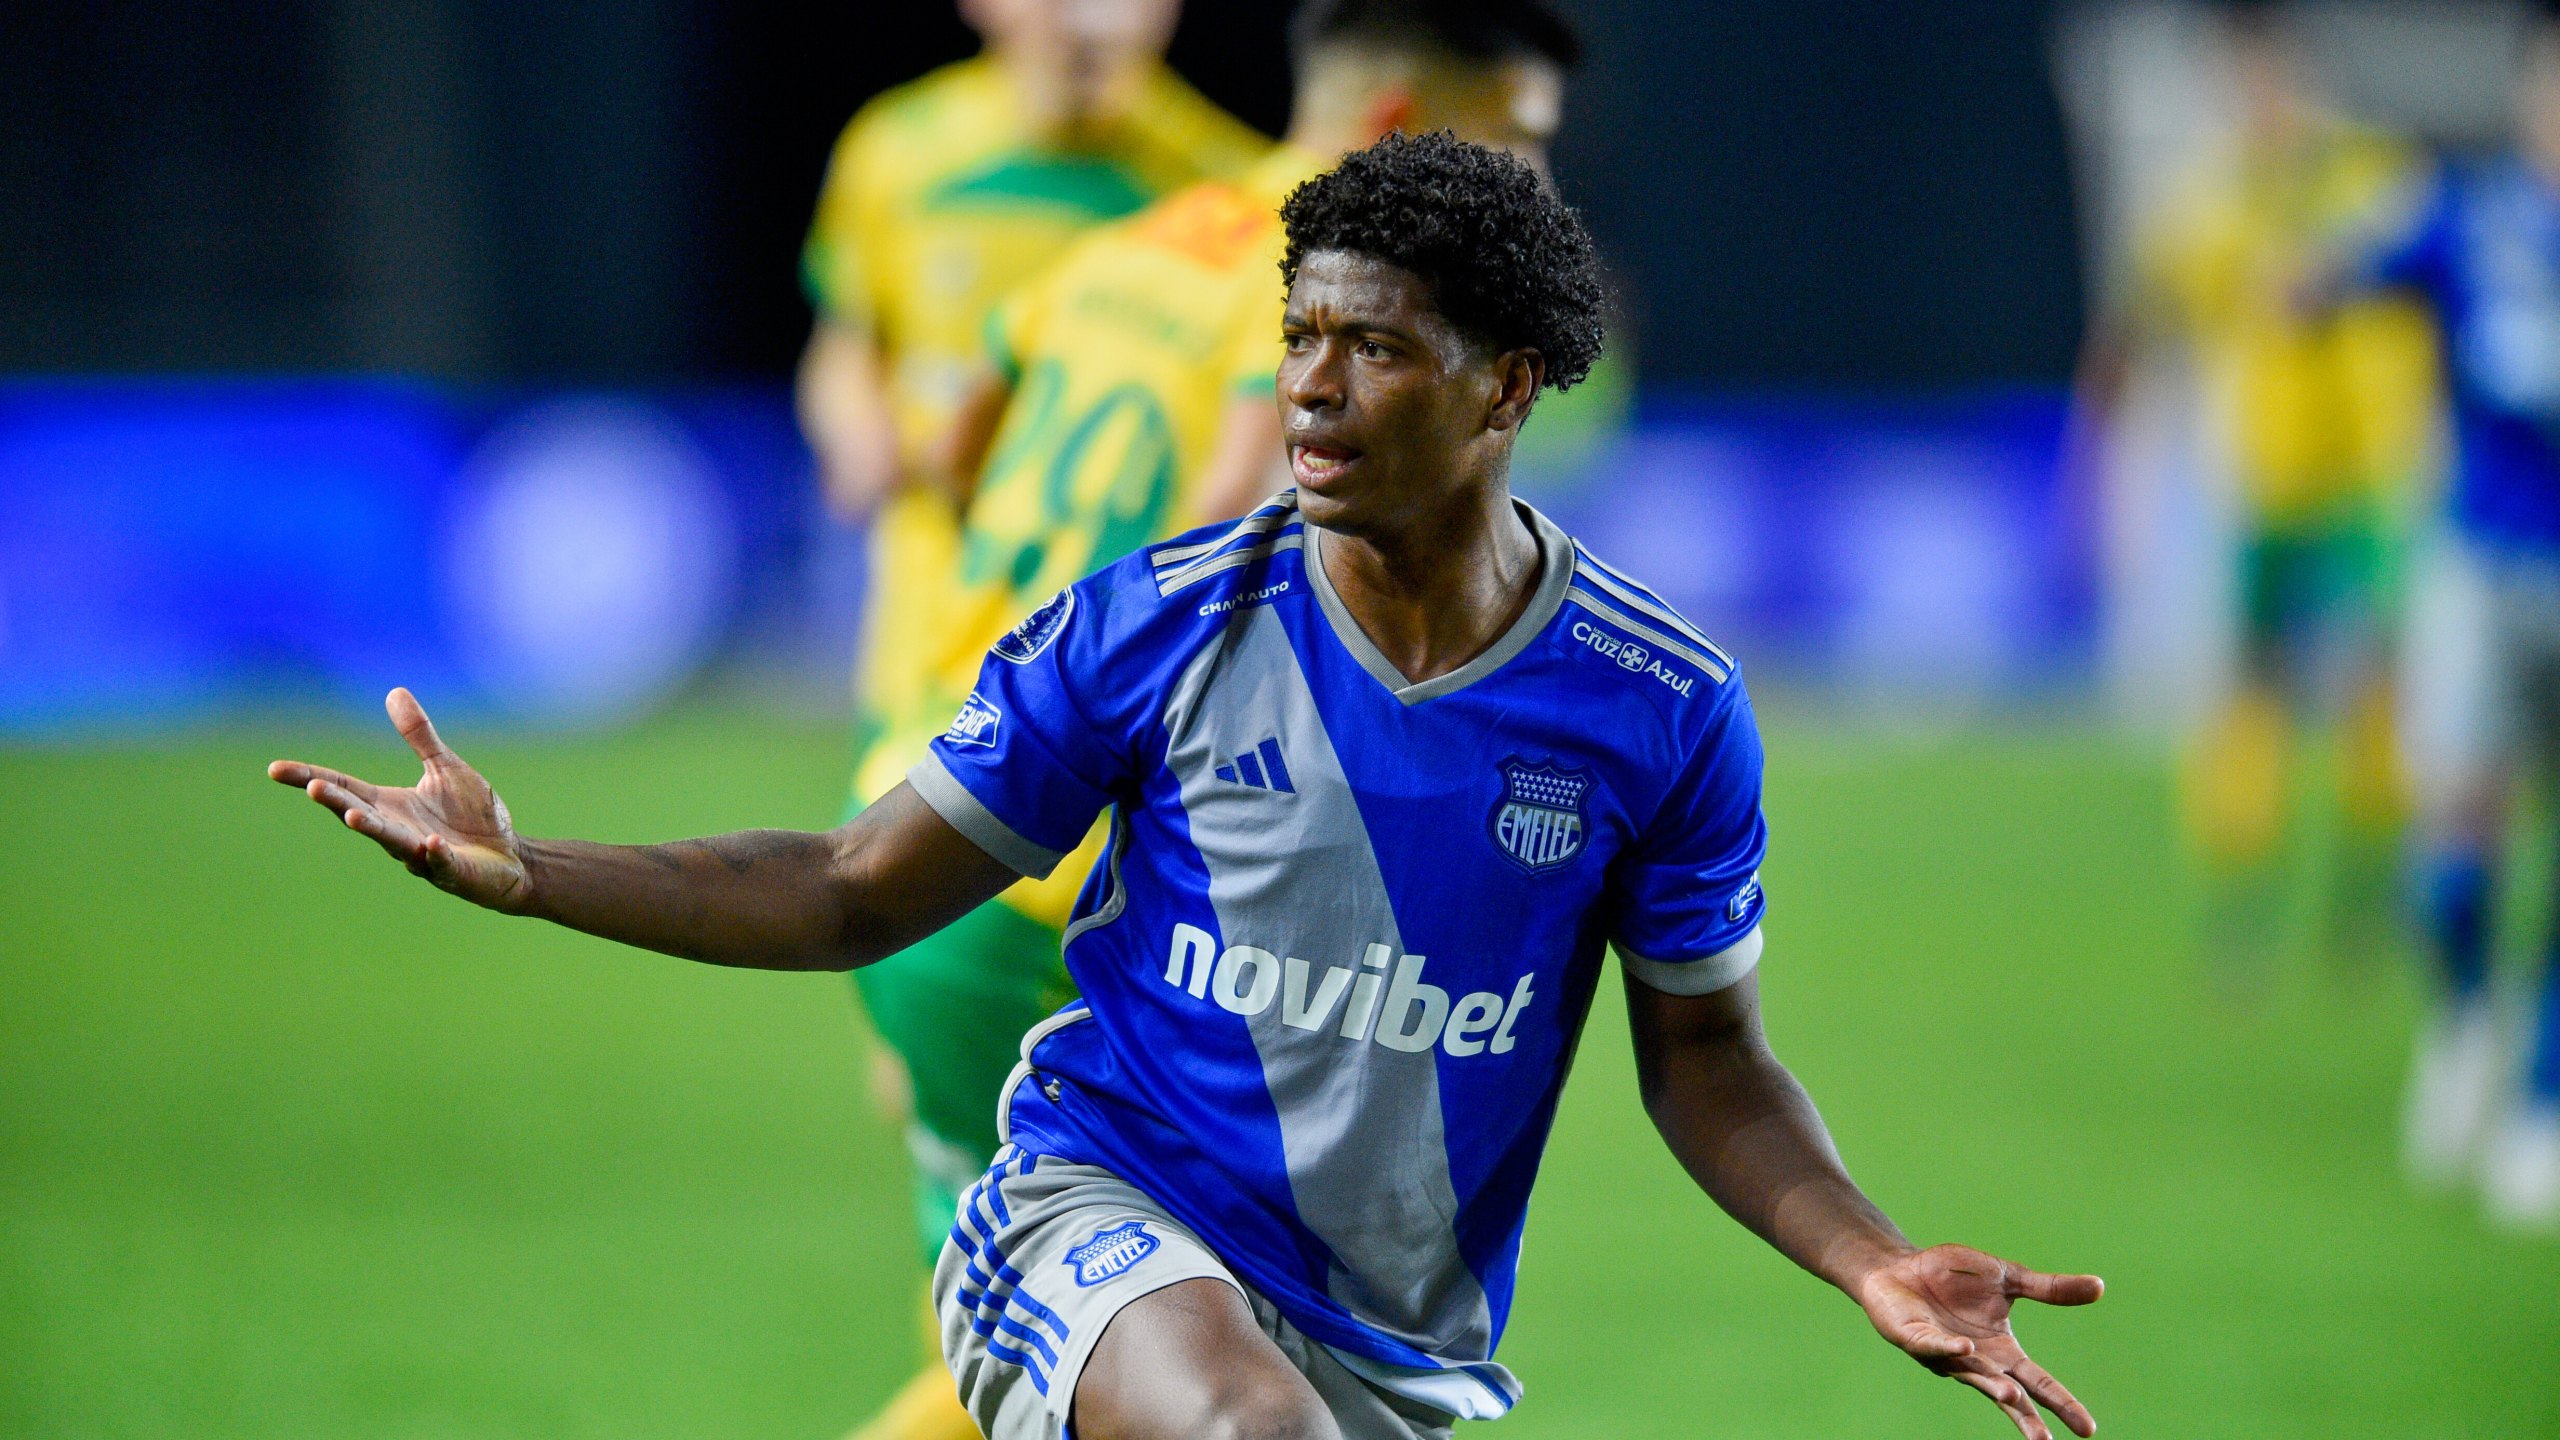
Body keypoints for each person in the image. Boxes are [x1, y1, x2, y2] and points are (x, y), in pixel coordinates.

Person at [270, 134, 2102, 1440]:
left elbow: (1707, 1062)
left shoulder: (1659, 707)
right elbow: (851, 885)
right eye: (1297, 335)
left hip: (1389, 1345)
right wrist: (537, 870)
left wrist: (1871, 1260)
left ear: (1504, 388)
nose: (1309, 388)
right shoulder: (1159, 624)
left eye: (1373, 347)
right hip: (1088, 1213)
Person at [837, 5, 1580, 1424]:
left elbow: (950, 437)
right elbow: (1231, 535)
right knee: (1204, 1352)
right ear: (1401, 122)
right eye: (1520, 138)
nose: (1540, 182)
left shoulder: (1138, 244)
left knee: (1057, 1347)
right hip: (1075, 890)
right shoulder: (1332, 288)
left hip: (936, 817)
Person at [794, 4, 1263, 1432]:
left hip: (1056, 733)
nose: (1090, 17)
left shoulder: (1216, 181)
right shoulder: (902, 150)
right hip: (944, 698)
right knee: (1145, 1262)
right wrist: (850, 426)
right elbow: (850, 340)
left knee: (1060, 1239)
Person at [2077, 0, 2436, 974]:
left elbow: (2441, 302)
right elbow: (2138, 323)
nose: (2260, 96)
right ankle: (2242, 909)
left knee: (2382, 689)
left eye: (2272, 75)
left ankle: (2372, 894)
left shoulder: (2375, 182)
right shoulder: (2204, 202)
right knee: (2249, 696)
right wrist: (2100, 447)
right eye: (2242, 81)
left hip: (2370, 485)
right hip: (2261, 487)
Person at [2349, 7, 2560, 1231]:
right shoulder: (2466, 212)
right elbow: (2345, 275)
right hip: (2475, 564)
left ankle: (2541, 1104)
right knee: (2459, 830)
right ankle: (2464, 1013)